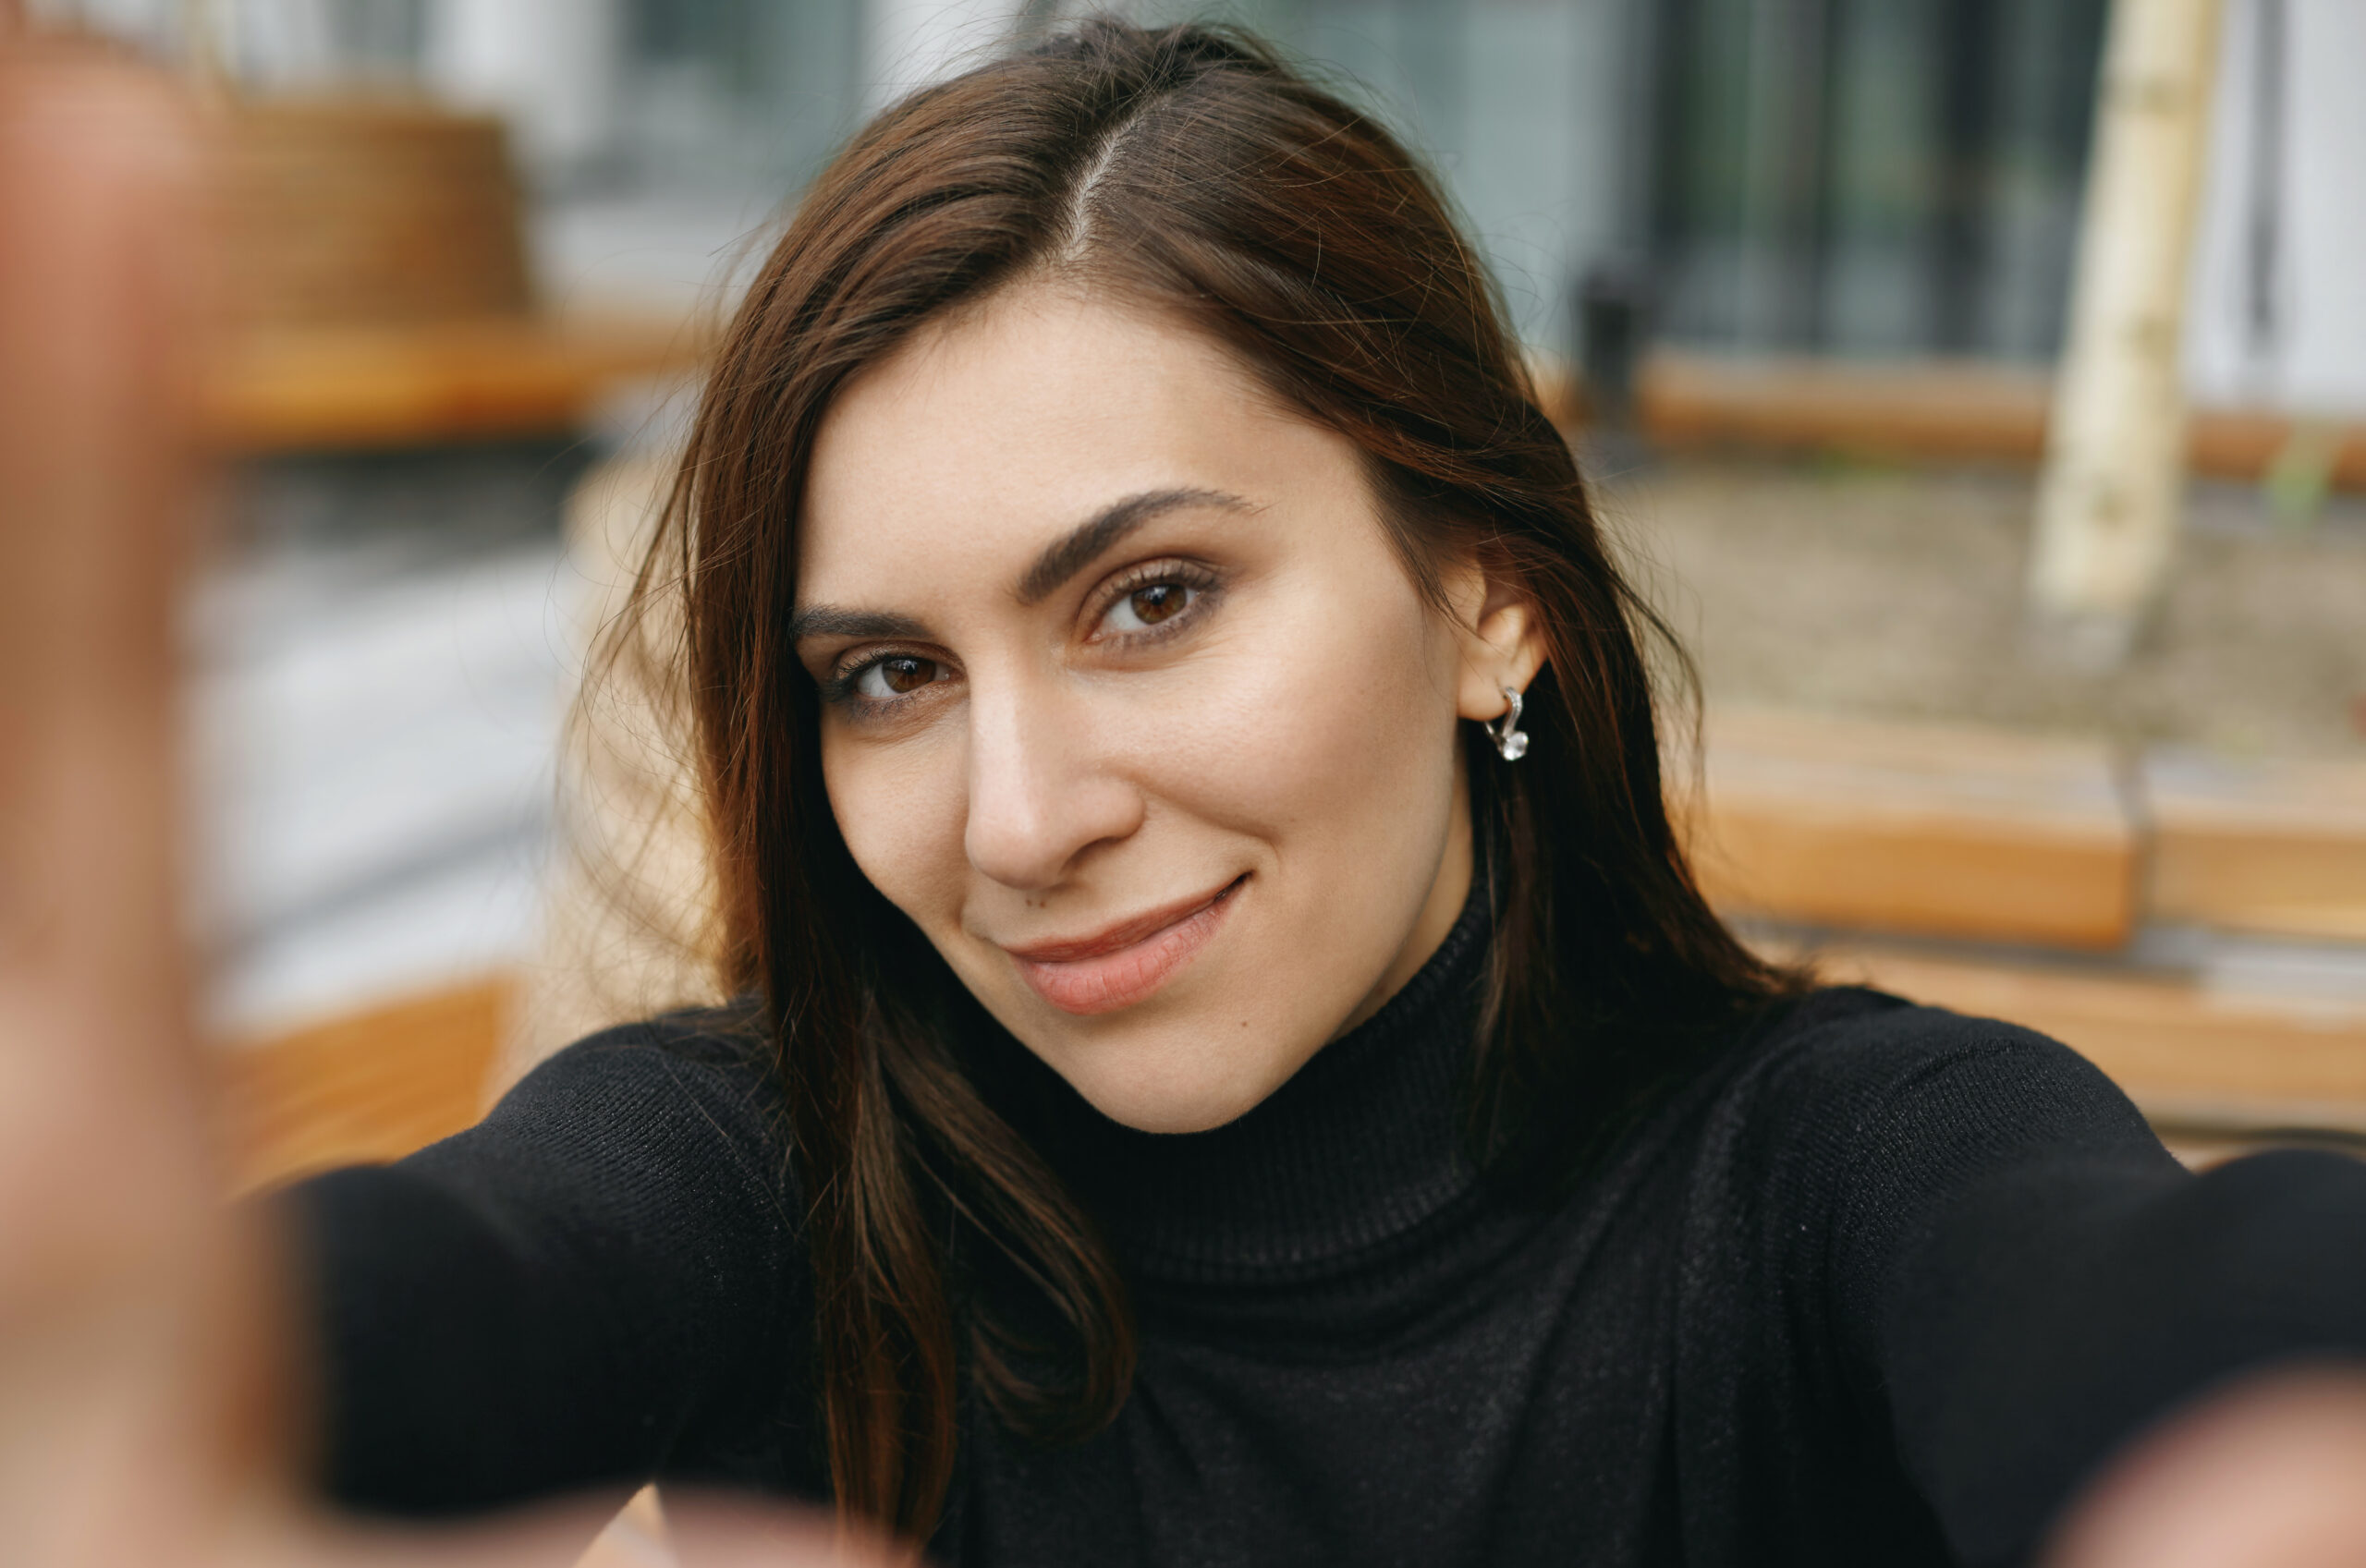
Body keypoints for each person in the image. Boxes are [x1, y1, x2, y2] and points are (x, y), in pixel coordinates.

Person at [6, 18, 2366, 1568]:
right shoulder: (767, 1176)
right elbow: (450, 1287)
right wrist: (179, 1383)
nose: (1018, 815)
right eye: (888, 675)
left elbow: (2142, 1305)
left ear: (1484, 598)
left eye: (1146, 601)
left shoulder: (1834, 1176)